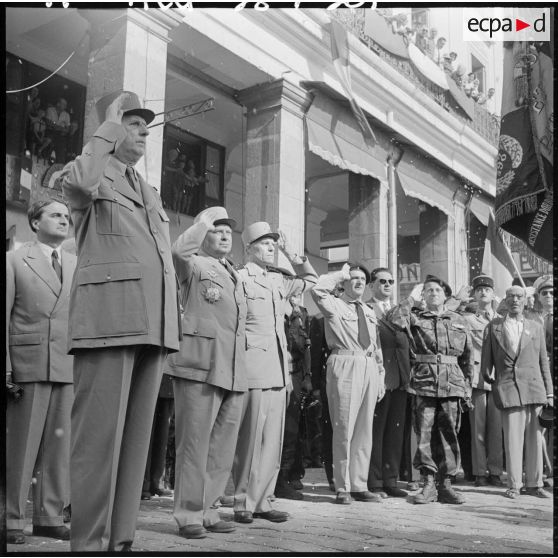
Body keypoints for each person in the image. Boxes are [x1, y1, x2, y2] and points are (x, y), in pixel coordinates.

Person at [60, 91, 181, 552]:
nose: (143, 130)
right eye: (133, 122)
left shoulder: (146, 189)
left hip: (153, 324)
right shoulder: (87, 169)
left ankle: (120, 539)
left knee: (133, 443)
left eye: (145, 125)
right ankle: (87, 544)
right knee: (98, 442)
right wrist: (107, 128)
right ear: (110, 127)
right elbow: (83, 186)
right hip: (109, 320)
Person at [167, 206, 247, 538]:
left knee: (221, 446)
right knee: (194, 444)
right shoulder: (195, 264)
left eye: (228, 231)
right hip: (199, 364)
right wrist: (202, 222)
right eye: (217, 230)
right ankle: (188, 514)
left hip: (232, 368)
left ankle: (209, 509)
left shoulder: (234, 273)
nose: (225, 234)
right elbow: (178, 251)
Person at [233, 222, 317, 524]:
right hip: (252, 367)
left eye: (273, 244)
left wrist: (291, 252)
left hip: (280, 370)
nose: (270, 247)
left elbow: (311, 279)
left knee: (273, 440)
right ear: (249, 247)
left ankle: (264, 500)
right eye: (264, 243)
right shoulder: (239, 278)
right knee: (250, 439)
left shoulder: (278, 281)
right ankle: (242, 501)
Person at [6, 199, 76, 545]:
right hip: (27, 364)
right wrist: (5, 369)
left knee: (59, 447)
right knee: (21, 447)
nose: (64, 220)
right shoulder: (14, 259)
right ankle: (12, 519)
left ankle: (49, 517)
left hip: (67, 364)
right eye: (55, 215)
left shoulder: (77, 265)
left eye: (66, 216)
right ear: (35, 222)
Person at [390, 275, 474, 505]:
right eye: (428, 290)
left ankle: (445, 484)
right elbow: (395, 320)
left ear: (445, 295)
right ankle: (428, 483)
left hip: (452, 384)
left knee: (449, 433)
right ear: (423, 295)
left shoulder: (458, 319)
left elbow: (467, 355)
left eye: (437, 290)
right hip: (424, 382)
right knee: (424, 433)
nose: (433, 293)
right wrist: (411, 298)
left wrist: (467, 386)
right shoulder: (415, 318)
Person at [311, 263, 385, 505]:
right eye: (353, 278)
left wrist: (380, 376)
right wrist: (338, 274)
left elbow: (376, 347)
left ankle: (359, 484)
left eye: (363, 278)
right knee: (344, 427)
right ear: (343, 282)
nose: (359, 282)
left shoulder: (369, 310)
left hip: (368, 366)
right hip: (345, 361)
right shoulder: (334, 304)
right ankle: (342, 486)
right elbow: (317, 290)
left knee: (364, 429)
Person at [481, 286, 553, 499]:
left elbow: (543, 363)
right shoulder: (493, 327)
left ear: (526, 301)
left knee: (534, 438)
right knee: (512, 440)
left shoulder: (535, 326)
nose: (515, 300)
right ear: (505, 300)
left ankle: (534, 483)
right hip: (508, 389)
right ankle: (514, 485)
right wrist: (496, 384)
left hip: (534, 388)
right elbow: (486, 365)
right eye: (511, 296)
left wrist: (549, 393)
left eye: (519, 297)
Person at [366, 268, 410, 499]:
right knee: (376, 430)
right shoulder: (366, 309)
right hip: (379, 378)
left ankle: (391, 479)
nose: (387, 285)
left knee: (395, 432)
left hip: (401, 378)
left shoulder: (402, 312)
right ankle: (374, 480)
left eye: (391, 281)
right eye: (382, 281)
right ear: (371, 285)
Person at [461, 275, 504, 487]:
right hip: (476, 379)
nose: (483, 292)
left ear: (493, 293)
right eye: (479, 289)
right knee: (477, 428)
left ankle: (495, 471)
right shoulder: (467, 320)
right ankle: (479, 472)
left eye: (487, 288)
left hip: (497, 380)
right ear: (474, 294)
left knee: (496, 430)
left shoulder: (501, 320)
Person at [275, 291, 313, 500]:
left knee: (292, 428)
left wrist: (307, 376)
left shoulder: (302, 314)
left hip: (296, 374)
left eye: (298, 292)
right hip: (277, 372)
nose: (295, 296)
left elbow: (306, 348)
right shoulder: (278, 310)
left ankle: (285, 477)